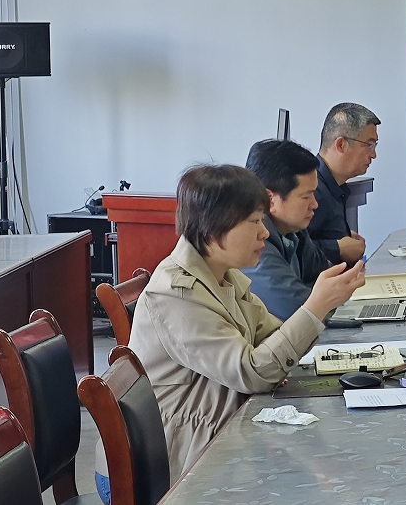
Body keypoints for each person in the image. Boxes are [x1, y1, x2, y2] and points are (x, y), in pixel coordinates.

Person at [128, 164, 366, 476]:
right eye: (254, 221)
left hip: (213, 432)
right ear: (213, 230)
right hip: (169, 457)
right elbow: (253, 372)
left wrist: (313, 313)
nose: (264, 232)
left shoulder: (224, 274)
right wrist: (316, 307)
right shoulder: (176, 293)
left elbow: (272, 340)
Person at [241, 139, 334, 320]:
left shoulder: (293, 230)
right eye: (306, 196)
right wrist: (317, 294)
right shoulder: (253, 244)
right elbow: (301, 311)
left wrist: (315, 293)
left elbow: (331, 278)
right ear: (270, 199)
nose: (315, 204)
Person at [310, 102, 380, 265]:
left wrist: (344, 241)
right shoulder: (312, 190)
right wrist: (337, 248)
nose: (373, 154)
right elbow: (293, 250)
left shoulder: (333, 185)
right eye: (369, 145)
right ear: (341, 144)